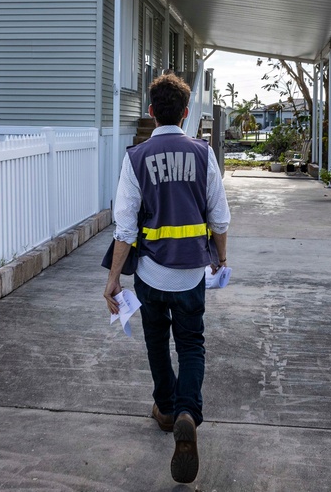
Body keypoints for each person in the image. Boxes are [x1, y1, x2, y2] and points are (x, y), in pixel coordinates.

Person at [103, 73, 230, 484]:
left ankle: (165, 409)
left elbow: (124, 227)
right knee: (192, 344)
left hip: (151, 274)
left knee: (157, 341)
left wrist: (113, 280)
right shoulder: (203, 153)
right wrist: (220, 258)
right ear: (187, 112)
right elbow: (219, 216)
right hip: (191, 272)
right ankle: (188, 411)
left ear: (151, 112)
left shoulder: (136, 158)